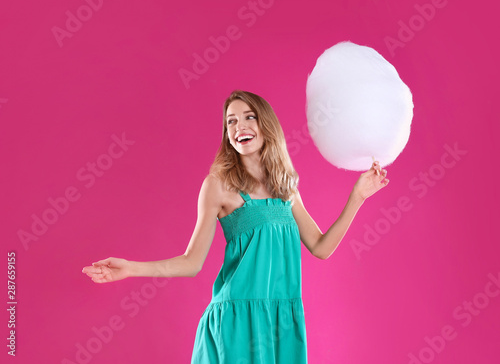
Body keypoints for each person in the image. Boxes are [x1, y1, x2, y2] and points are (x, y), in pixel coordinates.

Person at [82, 90, 389, 363]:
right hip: (234, 324)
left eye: (248, 117)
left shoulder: (286, 186)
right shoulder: (218, 186)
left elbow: (321, 247)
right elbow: (191, 263)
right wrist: (130, 269)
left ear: (266, 126)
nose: (239, 126)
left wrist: (358, 196)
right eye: (231, 121)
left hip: (281, 323)